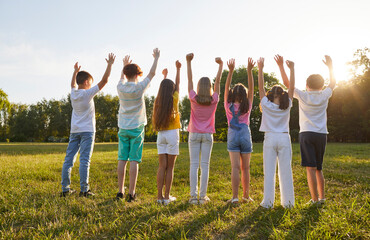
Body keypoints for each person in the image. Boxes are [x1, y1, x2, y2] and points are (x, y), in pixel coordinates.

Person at [279, 55, 336, 205]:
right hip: (321, 134)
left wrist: (283, 67)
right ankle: (322, 198)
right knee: (318, 168)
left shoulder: (303, 95)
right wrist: (330, 66)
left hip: (306, 134)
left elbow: (288, 84)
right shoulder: (325, 95)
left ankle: (314, 199)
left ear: (306, 84)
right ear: (322, 86)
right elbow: (333, 83)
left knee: (310, 168)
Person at [61, 53, 116, 197]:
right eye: (90, 82)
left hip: (74, 131)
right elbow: (104, 80)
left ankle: (65, 189)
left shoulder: (73, 94)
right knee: (84, 160)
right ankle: (84, 190)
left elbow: (72, 84)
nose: (91, 85)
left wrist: (74, 72)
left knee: (69, 159)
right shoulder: (87, 94)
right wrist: (109, 64)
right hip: (87, 131)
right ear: (86, 82)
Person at [116, 48, 160, 202]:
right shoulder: (139, 87)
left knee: (122, 159)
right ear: (136, 75)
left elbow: (121, 79)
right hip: (137, 128)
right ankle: (131, 193)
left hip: (123, 127)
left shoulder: (120, 87)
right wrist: (156, 58)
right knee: (134, 160)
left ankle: (120, 191)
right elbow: (152, 74)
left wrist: (124, 65)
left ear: (126, 74)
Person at [258, 56, 295, 208]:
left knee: (269, 172)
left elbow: (260, 87)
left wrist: (260, 69)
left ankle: (268, 203)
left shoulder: (266, 104)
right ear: (283, 95)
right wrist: (291, 69)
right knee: (286, 172)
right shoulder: (287, 104)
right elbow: (291, 87)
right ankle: (288, 203)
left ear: (270, 95)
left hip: (270, 138)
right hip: (284, 139)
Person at [186, 53, 223, 204]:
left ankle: (193, 197)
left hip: (194, 134)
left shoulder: (193, 98)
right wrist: (220, 65)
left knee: (194, 165)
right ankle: (203, 196)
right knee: (205, 166)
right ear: (209, 87)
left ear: (198, 87)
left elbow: (189, 79)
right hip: (207, 135)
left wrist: (188, 62)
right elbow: (218, 81)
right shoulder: (214, 99)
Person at [224, 58, 255, 204]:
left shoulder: (227, 104)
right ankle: (246, 196)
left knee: (235, 167)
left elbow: (225, 88)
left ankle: (235, 197)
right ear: (244, 95)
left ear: (231, 94)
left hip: (232, 134)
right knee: (246, 168)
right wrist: (249, 70)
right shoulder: (247, 104)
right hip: (245, 134)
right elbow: (252, 87)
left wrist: (230, 71)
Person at [153, 60, 181, 205]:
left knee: (161, 166)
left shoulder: (158, 100)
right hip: (172, 134)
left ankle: (159, 197)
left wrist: (164, 77)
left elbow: (164, 89)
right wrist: (178, 70)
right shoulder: (174, 98)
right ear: (172, 89)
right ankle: (167, 197)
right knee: (170, 167)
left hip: (161, 135)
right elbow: (177, 86)